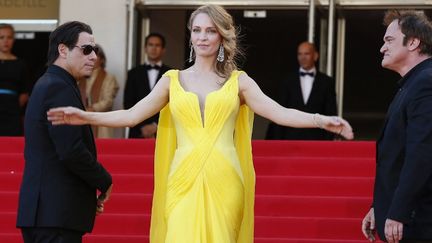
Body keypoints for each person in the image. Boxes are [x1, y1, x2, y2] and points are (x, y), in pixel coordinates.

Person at [47, 5, 353, 243]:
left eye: (210, 30)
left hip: (225, 177)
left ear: (221, 35)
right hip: (182, 178)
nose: (203, 36)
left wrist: (321, 120)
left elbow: (279, 112)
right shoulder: (172, 80)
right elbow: (131, 115)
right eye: (197, 30)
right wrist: (86, 116)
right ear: (191, 35)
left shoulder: (239, 82)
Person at [16, 21, 113, 243]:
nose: (93, 57)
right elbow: (70, 149)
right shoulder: (57, 86)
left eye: (95, 50)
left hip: (50, 215)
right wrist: (104, 180)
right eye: (86, 49)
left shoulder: (54, 83)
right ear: (63, 50)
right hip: (54, 217)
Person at [361, 10, 432, 243]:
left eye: (389, 40)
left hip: (418, 220)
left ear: (413, 42)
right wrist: (379, 206)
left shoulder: (425, 82)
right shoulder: (411, 84)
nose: (382, 48)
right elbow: (396, 158)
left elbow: (422, 154)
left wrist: (399, 211)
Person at [266, 41, 337, 140]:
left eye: (307, 54)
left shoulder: (327, 82)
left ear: (315, 56)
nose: (303, 57)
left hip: (317, 141)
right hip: (290, 140)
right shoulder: (287, 81)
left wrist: (327, 141)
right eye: (300, 54)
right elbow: (279, 110)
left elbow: (331, 113)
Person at [123, 33, 171, 138]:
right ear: (145, 48)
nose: (154, 48)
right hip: (137, 131)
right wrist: (142, 126)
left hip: (163, 132)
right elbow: (128, 103)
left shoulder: (171, 74)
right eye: (150, 45)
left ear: (163, 50)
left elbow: (172, 104)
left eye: (157, 45)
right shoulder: (133, 73)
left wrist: (155, 125)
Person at [78, 44, 119, 138]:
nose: (91, 58)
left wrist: (91, 109)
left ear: (102, 59)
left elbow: (108, 101)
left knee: (101, 151)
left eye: (95, 55)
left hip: (101, 124)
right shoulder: (80, 76)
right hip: (81, 119)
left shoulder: (109, 78)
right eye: (88, 55)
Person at [0, 23, 30, 136]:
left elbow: (25, 92)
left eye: (9, 37)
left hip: (12, 112)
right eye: (1, 37)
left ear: (13, 40)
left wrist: (13, 107)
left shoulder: (20, 64)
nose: (5, 41)